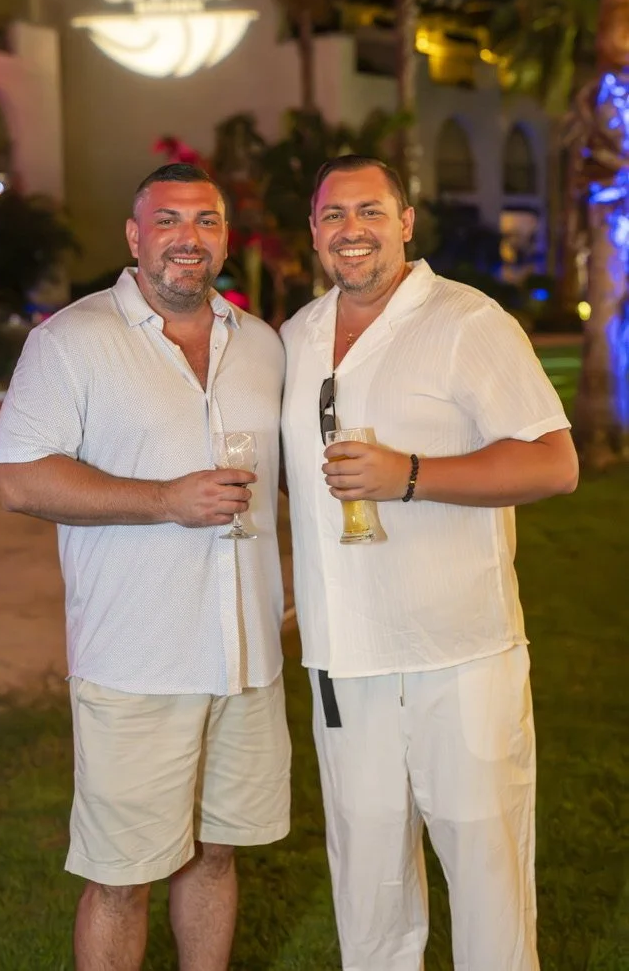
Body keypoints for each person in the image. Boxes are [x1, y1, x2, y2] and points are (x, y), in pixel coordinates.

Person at [280, 154, 579, 971]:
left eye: (371, 211)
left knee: (486, 882)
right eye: (335, 214)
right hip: (345, 664)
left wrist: (409, 476)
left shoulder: (467, 320)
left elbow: (555, 463)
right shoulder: (298, 336)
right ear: (314, 231)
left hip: (461, 657)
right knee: (367, 891)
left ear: (406, 222)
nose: (353, 230)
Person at [0, 163, 290, 971]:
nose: (187, 239)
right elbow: (20, 478)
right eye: (168, 221)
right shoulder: (71, 340)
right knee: (121, 880)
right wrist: (164, 498)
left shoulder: (261, 343)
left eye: (206, 221)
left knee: (218, 854)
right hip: (137, 662)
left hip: (248, 660)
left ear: (225, 237)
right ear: (134, 237)